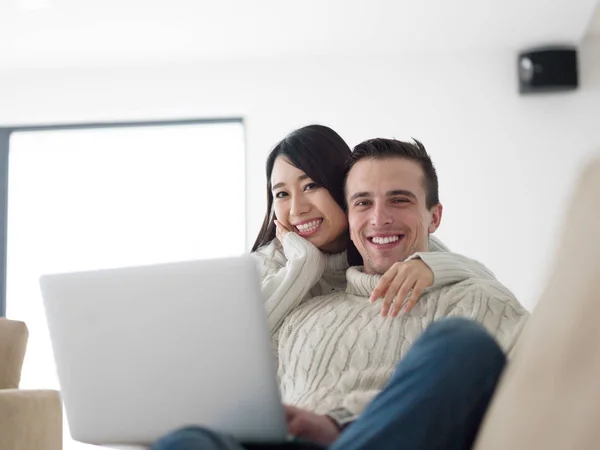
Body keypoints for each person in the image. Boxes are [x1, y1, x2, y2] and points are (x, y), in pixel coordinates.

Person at [151, 137, 529, 450]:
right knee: (187, 440)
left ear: (434, 217)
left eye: (399, 200)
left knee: (461, 343)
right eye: (363, 202)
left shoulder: (472, 299)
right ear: (349, 215)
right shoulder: (299, 308)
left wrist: (337, 424)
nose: (379, 218)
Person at [251, 125, 496, 333]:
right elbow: (242, 341)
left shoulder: (379, 242)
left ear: (344, 189)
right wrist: (304, 262)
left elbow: (480, 278)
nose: (297, 209)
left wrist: (431, 267)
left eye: (311, 186)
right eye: (282, 194)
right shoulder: (267, 264)